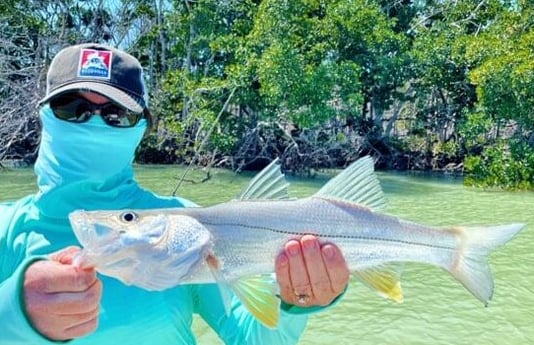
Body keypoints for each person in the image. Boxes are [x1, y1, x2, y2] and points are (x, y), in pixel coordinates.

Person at [0, 43, 350, 344]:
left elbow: (249, 337)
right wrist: (13, 313)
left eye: (115, 115)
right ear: (45, 115)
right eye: (72, 108)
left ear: (140, 130)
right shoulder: (6, 226)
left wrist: (295, 302)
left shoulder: (185, 227)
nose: (93, 123)